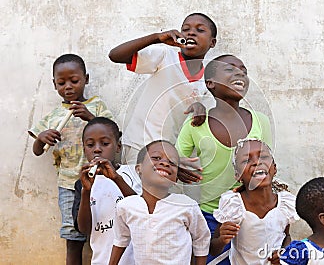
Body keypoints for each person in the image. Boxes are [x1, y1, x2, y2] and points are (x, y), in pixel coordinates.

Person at [176, 54, 272, 264]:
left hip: (252, 214)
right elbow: (175, 162)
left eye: (244, 70)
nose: (240, 73)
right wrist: (179, 168)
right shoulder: (196, 124)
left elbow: (268, 168)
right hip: (211, 215)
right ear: (210, 83)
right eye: (230, 69)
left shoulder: (260, 121)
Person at [28, 54, 113, 265]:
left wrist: (91, 118)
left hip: (100, 181)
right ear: (54, 84)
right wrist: (41, 138)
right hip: (68, 184)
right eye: (61, 82)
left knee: (103, 231)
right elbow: (37, 151)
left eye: (74, 81)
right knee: (72, 235)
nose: (68, 87)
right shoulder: (54, 115)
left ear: (86, 79)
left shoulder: (97, 106)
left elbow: (114, 134)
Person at [108, 12, 217, 166]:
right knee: (133, 189)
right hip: (139, 143)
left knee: (159, 190)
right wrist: (156, 38)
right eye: (186, 29)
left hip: (168, 153)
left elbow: (205, 119)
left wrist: (201, 110)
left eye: (200, 30)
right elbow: (115, 55)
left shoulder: (207, 80)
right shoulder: (165, 56)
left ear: (212, 43)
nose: (191, 32)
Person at [108, 140, 210, 265]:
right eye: (156, 158)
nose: (164, 163)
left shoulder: (186, 205)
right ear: (139, 168)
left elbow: (201, 240)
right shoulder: (126, 206)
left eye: (172, 162)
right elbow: (120, 239)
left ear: (176, 176)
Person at [209, 138, 298, 264]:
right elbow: (213, 250)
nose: (257, 162)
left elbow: (286, 236)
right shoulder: (234, 205)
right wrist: (222, 239)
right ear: (238, 176)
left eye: (263, 157)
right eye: (246, 160)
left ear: (274, 168)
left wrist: (283, 252)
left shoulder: (284, 204)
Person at [72, 117, 141, 264]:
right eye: (90, 145)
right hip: (102, 260)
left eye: (105, 143)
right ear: (84, 149)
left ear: (118, 147)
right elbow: (84, 229)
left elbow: (143, 212)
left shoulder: (132, 174)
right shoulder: (82, 184)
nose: (97, 149)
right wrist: (86, 192)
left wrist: (116, 179)